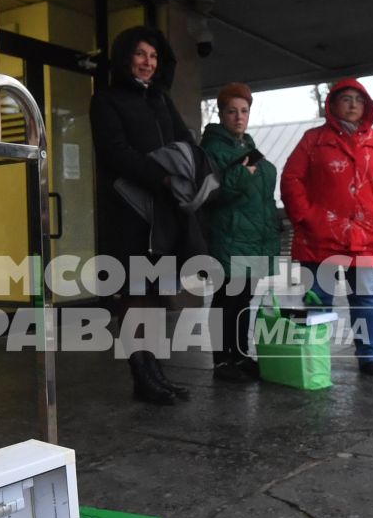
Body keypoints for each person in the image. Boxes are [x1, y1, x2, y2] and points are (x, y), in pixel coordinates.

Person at [90, 25, 201, 405]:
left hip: (163, 214)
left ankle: (157, 373)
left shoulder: (161, 99)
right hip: (129, 215)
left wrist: (191, 175)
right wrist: (162, 177)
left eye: (154, 56)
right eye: (140, 54)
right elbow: (115, 152)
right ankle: (142, 376)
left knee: (156, 296)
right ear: (125, 57)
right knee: (136, 295)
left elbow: (185, 141)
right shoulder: (105, 100)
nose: (148, 63)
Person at [281, 78, 373, 375]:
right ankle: (316, 356)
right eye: (346, 98)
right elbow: (291, 178)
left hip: (367, 236)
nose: (352, 104)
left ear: (366, 106)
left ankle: (369, 356)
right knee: (318, 299)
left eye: (358, 99)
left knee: (366, 297)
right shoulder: (313, 140)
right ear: (332, 104)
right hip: (320, 236)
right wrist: (306, 217)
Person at [199, 82, 278, 380]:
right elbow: (214, 192)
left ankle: (240, 354)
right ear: (220, 113)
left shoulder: (249, 148)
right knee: (226, 299)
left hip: (254, 238)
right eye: (231, 111)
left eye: (244, 111)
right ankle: (222, 361)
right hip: (227, 236)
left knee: (243, 300)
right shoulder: (211, 149)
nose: (238, 117)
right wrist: (244, 172)